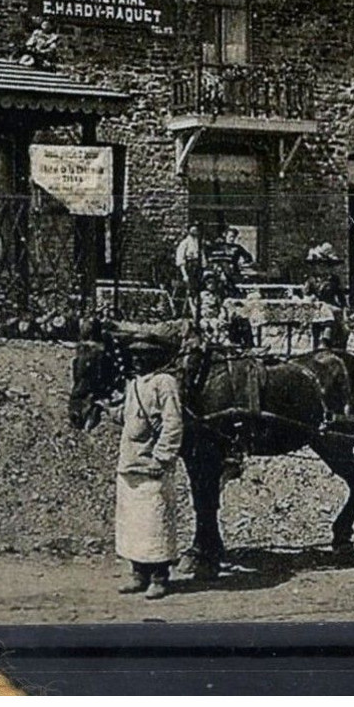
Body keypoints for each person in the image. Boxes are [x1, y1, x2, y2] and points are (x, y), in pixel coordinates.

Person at [114, 330, 186, 600]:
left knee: (155, 520)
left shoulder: (164, 382)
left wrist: (162, 456)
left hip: (152, 464)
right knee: (134, 521)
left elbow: (173, 422)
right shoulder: (133, 384)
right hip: (130, 461)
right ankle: (138, 573)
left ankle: (159, 577)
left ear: (155, 358)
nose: (137, 360)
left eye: (144, 356)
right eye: (134, 356)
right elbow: (127, 415)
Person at [174, 224, 203, 314]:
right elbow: (180, 260)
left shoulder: (199, 243)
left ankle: (197, 310)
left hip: (197, 268)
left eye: (196, 230)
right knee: (189, 290)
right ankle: (190, 311)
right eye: (193, 230)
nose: (195, 231)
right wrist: (184, 274)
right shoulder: (184, 243)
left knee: (197, 290)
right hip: (188, 268)